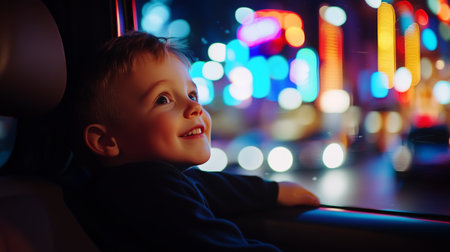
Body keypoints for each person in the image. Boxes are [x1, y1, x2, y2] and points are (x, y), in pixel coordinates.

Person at [70, 31, 320, 251]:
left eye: (192, 94)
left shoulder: (145, 182)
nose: (194, 107)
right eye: (163, 99)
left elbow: (208, 185)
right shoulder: (146, 191)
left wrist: (273, 192)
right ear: (105, 141)